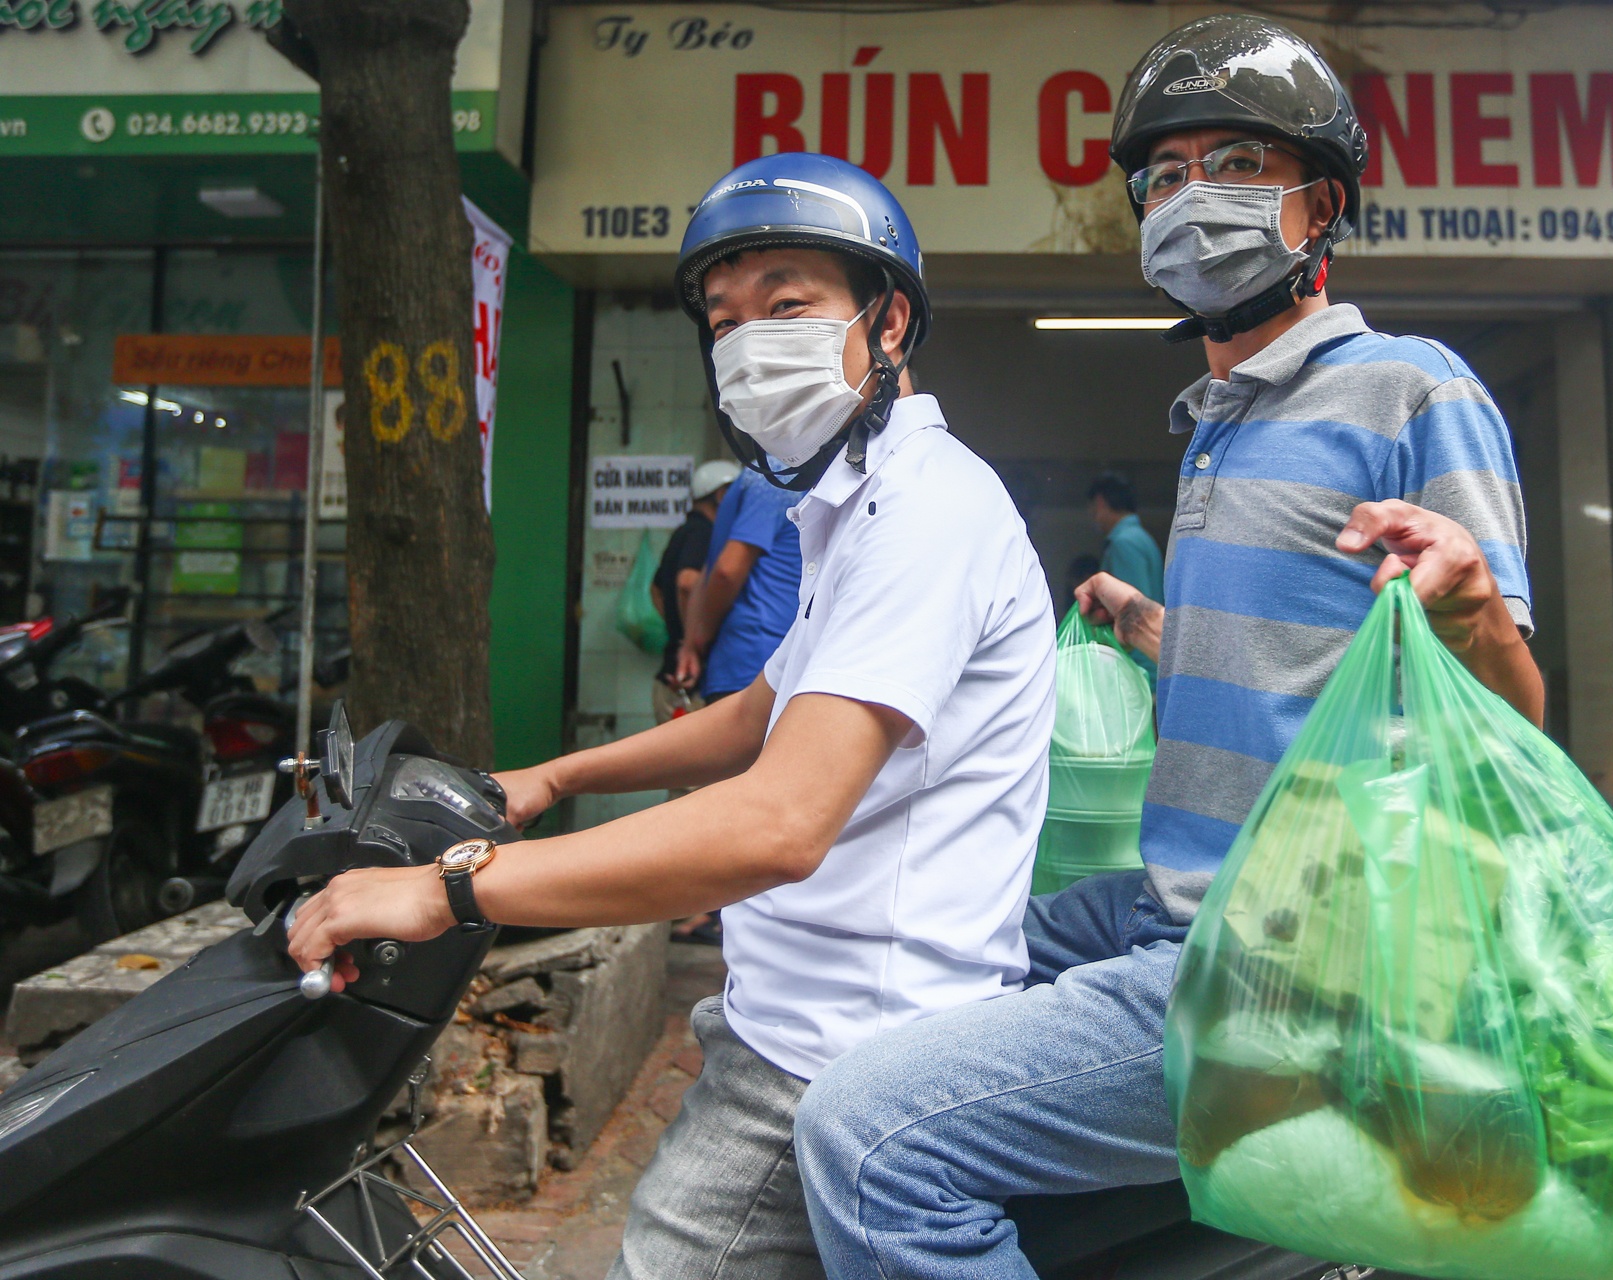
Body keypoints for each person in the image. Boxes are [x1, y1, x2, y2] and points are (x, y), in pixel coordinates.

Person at [790, 15, 1542, 1280]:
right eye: (1168, 174)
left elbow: (1510, 725)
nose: (1196, 198)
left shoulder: (1412, 386)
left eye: (1239, 164)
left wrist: (1470, 607)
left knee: (868, 1137)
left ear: (1324, 204)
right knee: (925, 945)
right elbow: (1294, 666)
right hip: (1173, 895)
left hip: (1303, 953)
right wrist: (1149, 629)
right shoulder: (1214, 426)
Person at [282, 152, 1056, 1280]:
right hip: (793, 1014)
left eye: (789, 305)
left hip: (838, 1053)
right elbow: (757, 710)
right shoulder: (849, 502)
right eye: (726, 317)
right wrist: (553, 776)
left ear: (887, 322)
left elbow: (778, 820)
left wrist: (448, 887)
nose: (749, 341)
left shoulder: (925, 509)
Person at [675, 463, 804, 701]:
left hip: (740, 663)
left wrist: (691, 643)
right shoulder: (776, 473)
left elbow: (708, 573)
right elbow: (727, 570)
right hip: (762, 663)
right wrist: (702, 635)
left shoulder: (753, 478)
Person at [652, 458, 739, 725]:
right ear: (722, 496)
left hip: (670, 679)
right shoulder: (704, 533)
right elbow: (688, 583)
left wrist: (676, 629)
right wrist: (693, 643)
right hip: (690, 684)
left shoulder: (684, 531)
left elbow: (656, 590)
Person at [1086, 472, 1162, 676]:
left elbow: (1133, 613)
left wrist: (1133, 674)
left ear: (1100, 503)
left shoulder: (1124, 544)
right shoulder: (1140, 538)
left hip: (1141, 670)